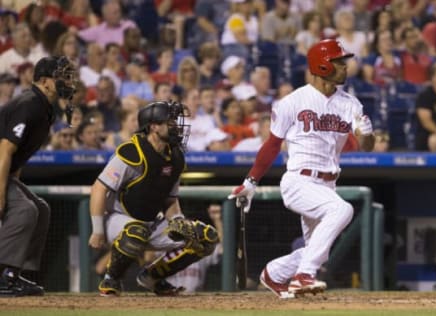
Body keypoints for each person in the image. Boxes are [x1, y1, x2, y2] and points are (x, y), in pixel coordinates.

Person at [228, 39, 375, 298]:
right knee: (342, 209)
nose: (345, 67)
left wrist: (366, 134)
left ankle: (274, 273)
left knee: (319, 248)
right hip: (299, 180)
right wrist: (251, 181)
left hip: (328, 183)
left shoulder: (351, 104)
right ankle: (303, 276)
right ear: (322, 65)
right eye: (339, 61)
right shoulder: (292, 102)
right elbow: (272, 145)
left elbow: (364, 146)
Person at [88, 100, 219, 296]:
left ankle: (152, 277)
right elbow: (99, 188)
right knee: (136, 232)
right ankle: (111, 279)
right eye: (170, 122)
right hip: (117, 218)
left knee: (205, 238)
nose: (176, 126)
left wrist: (177, 221)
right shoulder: (132, 152)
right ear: (153, 127)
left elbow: (170, 199)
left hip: (151, 222)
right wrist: (97, 230)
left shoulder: (175, 157)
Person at [0, 55, 77, 296]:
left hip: (6, 169)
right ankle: (3, 277)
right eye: (62, 76)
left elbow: (17, 158)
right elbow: (5, 149)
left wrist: (14, 187)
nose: (68, 81)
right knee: (25, 209)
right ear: (44, 81)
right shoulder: (29, 103)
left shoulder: (45, 108)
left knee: (39, 207)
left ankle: (14, 273)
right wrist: (1, 194)